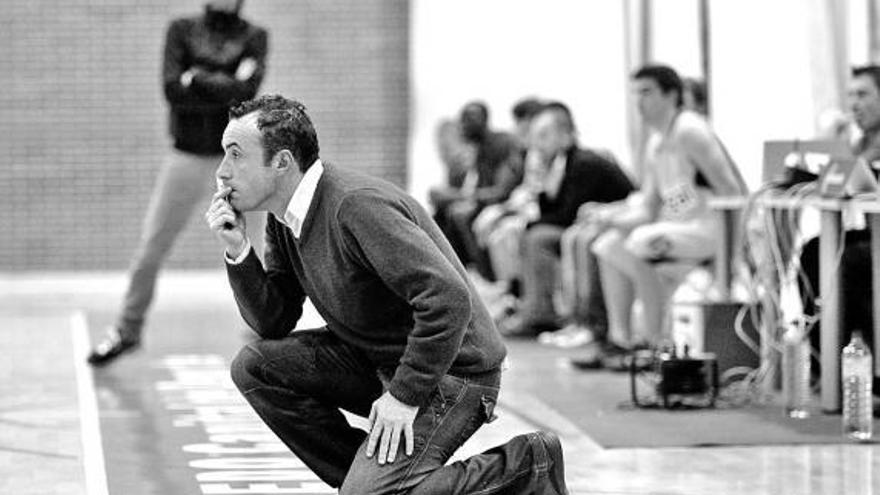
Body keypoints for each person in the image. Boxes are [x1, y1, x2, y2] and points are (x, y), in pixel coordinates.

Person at [205, 94, 568, 494]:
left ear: (283, 162)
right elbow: (273, 321)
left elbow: (448, 299)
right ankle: (373, 483)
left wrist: (404, 396)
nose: (223, 172)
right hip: (379, 358)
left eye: (236, 155)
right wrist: (239, 250)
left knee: (373, 491)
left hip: (453, 371)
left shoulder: (355, 206)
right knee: (256, 365)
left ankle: (527, 465)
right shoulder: (285, 217)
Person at [87, 0, 269, 366]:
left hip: (236, 156)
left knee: (260, 248)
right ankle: (127, 330)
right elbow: (173, 91)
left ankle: (267, 334)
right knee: (152, 246)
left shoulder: (254, 37)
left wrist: (196, 77)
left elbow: (245, 96)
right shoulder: (181, 30)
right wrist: (225, 82)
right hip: (185, 155)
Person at [587, 64, 747, 367]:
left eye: (647, 92)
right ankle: (621, 341)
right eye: (635, 93)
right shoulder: (655, 142)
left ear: (672, 95)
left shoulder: (691, 131)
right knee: (608, 245)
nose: (639, 102)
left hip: (709, 229)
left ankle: (655, 343)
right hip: (678, 229)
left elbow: (734, 192)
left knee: (641, 241)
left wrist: (733, 256)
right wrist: (608, 217)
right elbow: (648, 209)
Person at [497, 102, 634, 338]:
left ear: (565, 135)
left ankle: (564, 316)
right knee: (529, 233)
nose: (537, 145)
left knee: (542, 237)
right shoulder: (559, 165)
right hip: (587, 223)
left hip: (618, 220)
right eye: (535, 137)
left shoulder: (583, 163)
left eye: (544, 136)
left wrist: (530, 221)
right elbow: (555, 209)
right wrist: (541, 188)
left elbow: (567, 215)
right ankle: (529, 305)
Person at [799, 64, 880, 369]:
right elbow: (835, 184)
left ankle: (852, 364)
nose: (854, 104)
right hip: (871, 234)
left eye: (863, 94)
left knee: (848, 261)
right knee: (816, 251)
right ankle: (827, 360)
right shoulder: (859, 145)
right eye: (850, 96)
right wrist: (831, 142)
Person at [438, 101, 523, 281]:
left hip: (507, 203)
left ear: (480, 120)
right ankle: (453, 277)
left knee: (462, 213)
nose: (462, 126)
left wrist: (460, 196)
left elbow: (502, 191)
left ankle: (489, 278)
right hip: (485, 201)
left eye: (466, 121)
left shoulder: (502, 143)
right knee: (441, 214)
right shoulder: (478, 148)